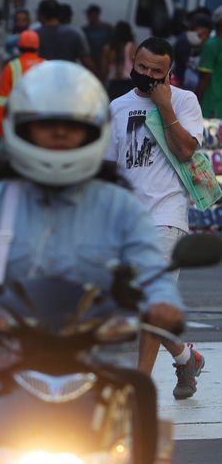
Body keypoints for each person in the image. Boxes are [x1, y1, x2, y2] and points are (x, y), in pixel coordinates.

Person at [0, 62, 185, 464]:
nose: (59, 135)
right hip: (2, 362)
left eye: (71, 127)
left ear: (91, 133)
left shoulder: (118, 207)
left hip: (88, 362)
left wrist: (161, 303)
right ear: (23, 129)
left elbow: (150, 266)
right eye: (46, 125)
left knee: (140, 394)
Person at [104, 37, 206, 398]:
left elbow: (186, 150)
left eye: (156, 71)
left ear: (169, 73)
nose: (146, 75)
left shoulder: (184, 101)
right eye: (142, 67)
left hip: (167, 213)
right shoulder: (117, 106)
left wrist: (166, 109)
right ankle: (184, 357)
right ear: (134, 61)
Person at [0, 30, 44, 140]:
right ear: (38, 47)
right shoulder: (47, 65)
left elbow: (1, 101)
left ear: (19, 47)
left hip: (18, 122)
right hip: (42, 123)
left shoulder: (12, 67)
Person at [35, 0, 93, 68]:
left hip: (43, 77)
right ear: (59, 13)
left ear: (41, 14)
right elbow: (87, 62)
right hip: (69, 77)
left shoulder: (35, 35)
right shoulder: (75, 33)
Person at [195, 7, 222, 117]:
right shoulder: (211, 45)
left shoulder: (211, 45)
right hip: (210, 106)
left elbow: (203, 80)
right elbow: (204, 80)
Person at [103, 20, 137, 100]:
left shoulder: (108, 48)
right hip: (128, 83)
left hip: (113, 83)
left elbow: (104, 70)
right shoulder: (132, 47)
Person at [83, 4, 113, 79]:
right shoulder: (85, 30)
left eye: (89, 15)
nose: (87, 17)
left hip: (105, 66)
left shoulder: (108, 29)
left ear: (95, 15)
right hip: (90, 66)